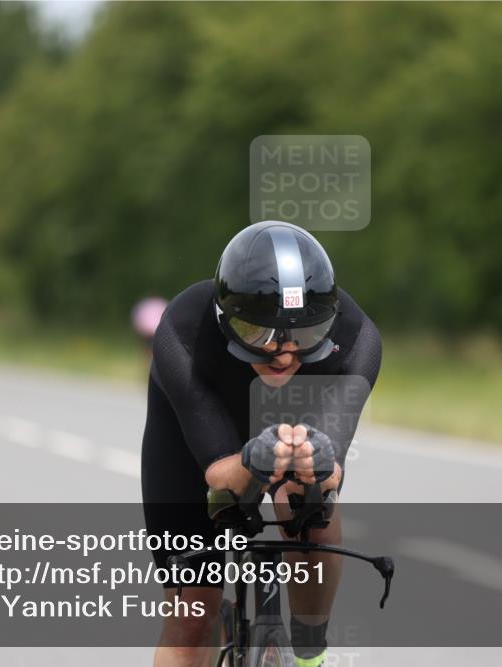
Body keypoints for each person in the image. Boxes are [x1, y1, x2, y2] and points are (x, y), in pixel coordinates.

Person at [142, 221, 381, 667]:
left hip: (301, 423)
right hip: (197, 434)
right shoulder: (184, 329)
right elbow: (218, 473)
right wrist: (253, 457)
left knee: (310, 495)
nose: (284, 353)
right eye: (260, 336)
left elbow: (334, 468)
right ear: (225, 319)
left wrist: (315, 464)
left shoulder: (356, 340)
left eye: (304, 336)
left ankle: (311, 649)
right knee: (192, 619)